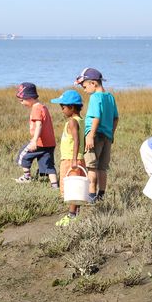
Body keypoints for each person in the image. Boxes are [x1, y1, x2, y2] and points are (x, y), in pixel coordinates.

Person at [75, 68, 118, 202]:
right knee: (102, 168)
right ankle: (101, 195)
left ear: (93, 83)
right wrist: (111, 134)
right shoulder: (110, 97)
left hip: (95, 136)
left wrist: (90, 136)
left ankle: (91, 195)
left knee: (91, 166)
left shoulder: (95, 97)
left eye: (84, 86)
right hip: (107, 137)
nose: (84, 90)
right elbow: (116, 118)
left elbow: (96, 117)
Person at [51, 90, 86, 226]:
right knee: (76, 187)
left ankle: (71, 216)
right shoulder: (81, 120)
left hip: (71, 160)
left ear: (71, 107)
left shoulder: (72, 122)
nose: (62, 110)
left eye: (63, 107)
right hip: (76, 158)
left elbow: (77, 140)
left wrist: (74, 160)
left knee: (72, 188)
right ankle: (76, 214)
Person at [14, 82, 58, 188]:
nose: (21, 103)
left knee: (23, 155)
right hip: (50, 143)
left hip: (39, 142)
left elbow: (39, 125)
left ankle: (27, 177)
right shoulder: (43, 107)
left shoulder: (36, 108)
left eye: (22, 100)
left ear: (29, 97)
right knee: (49, 164)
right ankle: (55, 185)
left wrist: (34, 140)